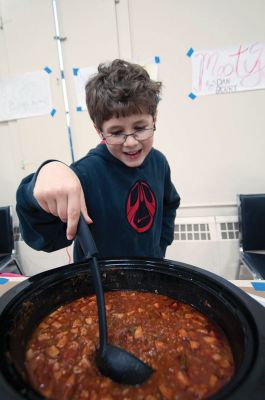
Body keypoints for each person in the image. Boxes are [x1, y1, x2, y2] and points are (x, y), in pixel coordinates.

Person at [16, 59, 180, 262]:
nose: (130, 142)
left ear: (154, 118)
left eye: (139, 128)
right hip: (97, 288)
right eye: (116, 132)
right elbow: (45, 238)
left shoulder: (159, 163)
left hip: (149, 278)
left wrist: (159, 249)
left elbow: (170, 204)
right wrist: (40, 181)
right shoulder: (83, 176)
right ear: (99, 131)